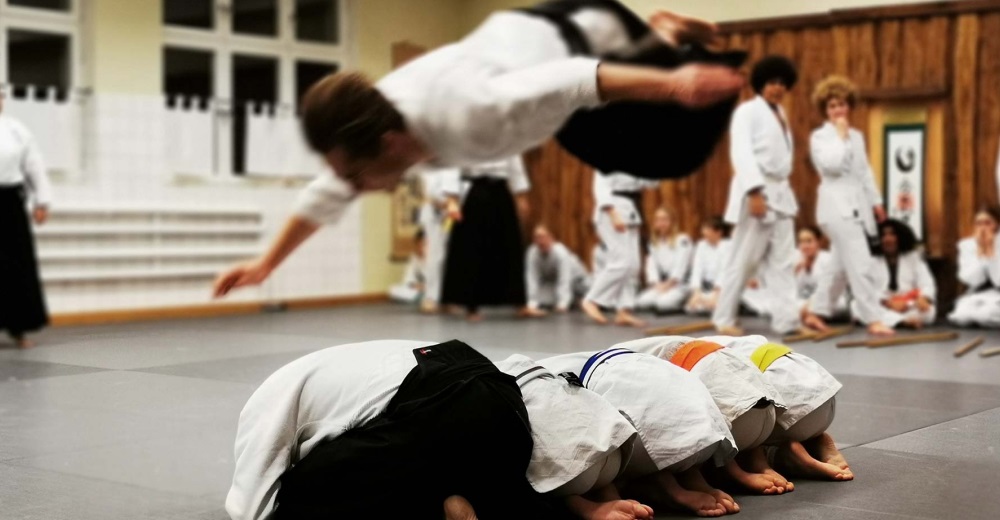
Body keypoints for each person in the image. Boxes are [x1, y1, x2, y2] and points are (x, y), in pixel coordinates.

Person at [212, 1, 744, 299]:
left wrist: (675, 85)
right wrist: (266, 263)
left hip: (573, 38)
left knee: (660, 149)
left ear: (389, 145)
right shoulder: (375, 127)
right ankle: (660, 38)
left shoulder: (474, 110)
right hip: (512, 45)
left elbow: (575, 78)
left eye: (354, 178)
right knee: (609, 133)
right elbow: (323, 194)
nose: (351, 189)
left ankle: (664, 37)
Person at [227, 339, 653, 520]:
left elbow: (252, 508)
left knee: (301, 496)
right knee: (499, 483)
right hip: (495, 390)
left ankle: (439, 504)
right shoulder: (314, 374)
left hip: (442, 403)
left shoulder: (265, 411)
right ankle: (585, 510)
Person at [540, 349, 739, 517]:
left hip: (624, 448)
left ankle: (638, 484)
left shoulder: (544, 371)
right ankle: (688, 475)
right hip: (711, 432)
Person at [616, 336, 793, 496]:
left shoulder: (622, 360)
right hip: (768, 413)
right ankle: (759, 460)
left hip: (729, 428)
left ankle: (713, 471)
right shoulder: (738, 341)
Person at [713, 55, 802, 337]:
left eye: (782, 83)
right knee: (744, 258)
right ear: (761, 84)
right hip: (758, 190)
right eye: (772, 82)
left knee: (783, 262)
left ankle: (787, 320)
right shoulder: (747, 111)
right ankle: (724, 317)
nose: (777, 88)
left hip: (781, 193)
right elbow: (741, 152)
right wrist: (754, 191)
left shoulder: (781, 114)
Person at [801, 75, 892, 336]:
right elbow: (831, 165)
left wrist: (876, 202)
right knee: (860, 260)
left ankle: (816, 311)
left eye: (841, 104)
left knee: (839, 265)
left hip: (857, 205)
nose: (838, 110)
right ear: (825, 110)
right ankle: (872, 317)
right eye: (832, 106)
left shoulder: (858, 137)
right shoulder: (820, 137)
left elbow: (864, 172)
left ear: (849, 106)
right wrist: (840, 136)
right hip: (834, 207)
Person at [708, 334, 854, 482]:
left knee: (712, 439)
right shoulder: (725, 341)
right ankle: (814, 440)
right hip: (824, 396)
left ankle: (772, 455)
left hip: (778, 411)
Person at [439, 157, 540, 321]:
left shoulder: (506, 140)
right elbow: (454, 162)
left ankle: (520, 303)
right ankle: (471, 306)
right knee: (473, 248)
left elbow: (515, 162)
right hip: (475, 191)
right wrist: (452, 199)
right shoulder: (466, 139)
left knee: (510, 248)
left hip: (502, 191)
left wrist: (521, 196)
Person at [0, 90, 51, 348]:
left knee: (17, 265)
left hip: (10, 201)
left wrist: (42, 201)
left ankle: (18, 328)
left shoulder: (16, 130)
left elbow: (34, 165)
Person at [581, 170, 658, 326]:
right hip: (612, 210)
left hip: (631, 209)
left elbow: (650, 184)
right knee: (621, 261)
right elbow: (600, 187)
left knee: (633, 264)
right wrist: (612, 212)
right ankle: (592, 300)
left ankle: (624, 310)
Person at [866, 219, 937, 328]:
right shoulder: (871, 261)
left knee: (930, 310)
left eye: (892, 234)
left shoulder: (913, 258)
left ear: (901, 237)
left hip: (907, 304)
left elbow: (927, 284)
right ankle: (902, 321)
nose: (888, 239)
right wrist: (888, 303)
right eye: (883, 235)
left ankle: (894, 320)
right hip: (883, 304)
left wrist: (923, 298)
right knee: (856, 306)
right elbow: (866, 289)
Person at [949, 206, 1000, 327]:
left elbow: (998, 280)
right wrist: (982, 254)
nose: (983, 228)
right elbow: (969, 278)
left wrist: (991, 253)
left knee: (986, 314)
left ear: (997, 224)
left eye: (987, 223)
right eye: (979, 223)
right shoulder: (966, 245)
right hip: (978, 293)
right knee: (961, 316)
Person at [416, 167, 459, 312]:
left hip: (454, 212)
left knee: (452, 256)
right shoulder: (432, 167)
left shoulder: (458, 164)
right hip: (436, 213)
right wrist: (446, 204)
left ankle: (449, 297)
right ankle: (431, 297)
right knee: (436, 255)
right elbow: (430, 192)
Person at [636, 207, 693, 314]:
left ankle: (686, 301)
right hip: (662, 283)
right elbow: (651, 266)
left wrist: (669, 284)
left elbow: (681, 266)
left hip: (680, 283)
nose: (661, 223)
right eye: (658, 220)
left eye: (665, 219)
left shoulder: (683, 240)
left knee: (662, 303)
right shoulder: (653, 243)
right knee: (641, 302)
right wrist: (656, 284)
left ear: (672, 222)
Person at [526, 224, 591, 312]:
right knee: (543, 300)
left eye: (543, 237)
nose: (541, 241)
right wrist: (531, 303)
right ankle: (574, 300)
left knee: (592, 294)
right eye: (537, 238)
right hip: (555, 283)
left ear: (551, 238)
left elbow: (564, 278)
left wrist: (562, 304)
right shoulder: (532, 253)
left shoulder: (560, 252)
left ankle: (577, 300)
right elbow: (532, 278)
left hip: (578, 282)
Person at [794, 226, 848, 319]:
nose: (805, 246)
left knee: (815, 306)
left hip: (830, 300)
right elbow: (791, 291)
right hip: (803, 300)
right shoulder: (796, 258)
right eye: (801, 242)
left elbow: (832, 289)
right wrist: (796, 270)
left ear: (818, 242)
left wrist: (812, 302)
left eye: (809, 241)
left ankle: (811, 314)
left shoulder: (828, 259)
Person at [685, 216, 727, 314]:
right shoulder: (701, 245)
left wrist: (716, 295)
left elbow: (724, 271)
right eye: (704, 228)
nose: (704, 232)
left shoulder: (728, 246)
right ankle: (704, 300)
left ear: (719, 232)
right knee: (691, 308)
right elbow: (697, 270)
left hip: (722, 288)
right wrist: (696, 293)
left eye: (708, 229)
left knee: (714, 306)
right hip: (706, 287)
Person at [388, 229, 427, 304]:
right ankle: (421, 297)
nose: (420, 248)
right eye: (418, 245)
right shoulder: (413, 258)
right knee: (393, 289)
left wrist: (425, 287)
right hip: (418, 290)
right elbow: (407, 280)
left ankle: (424, 297)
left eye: (423, 244)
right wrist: (416, 286)